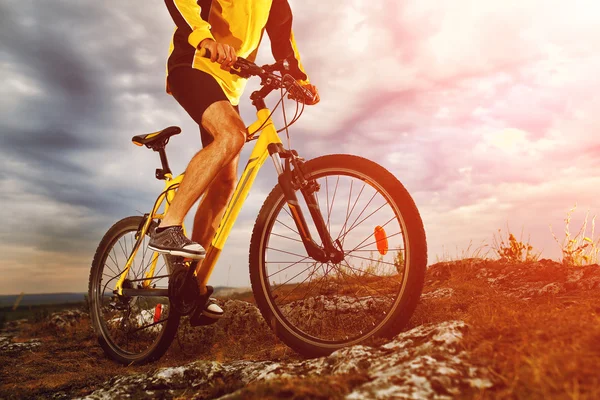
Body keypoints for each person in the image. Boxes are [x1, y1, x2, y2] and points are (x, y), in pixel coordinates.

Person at [148, 0, 319, 259]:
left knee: (225, 184)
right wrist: (204, 39)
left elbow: (284, 42)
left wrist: (300, 80)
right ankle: (167, 226)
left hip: (230, 86)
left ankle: (190, 284)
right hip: (194, 63)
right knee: (232, 134)